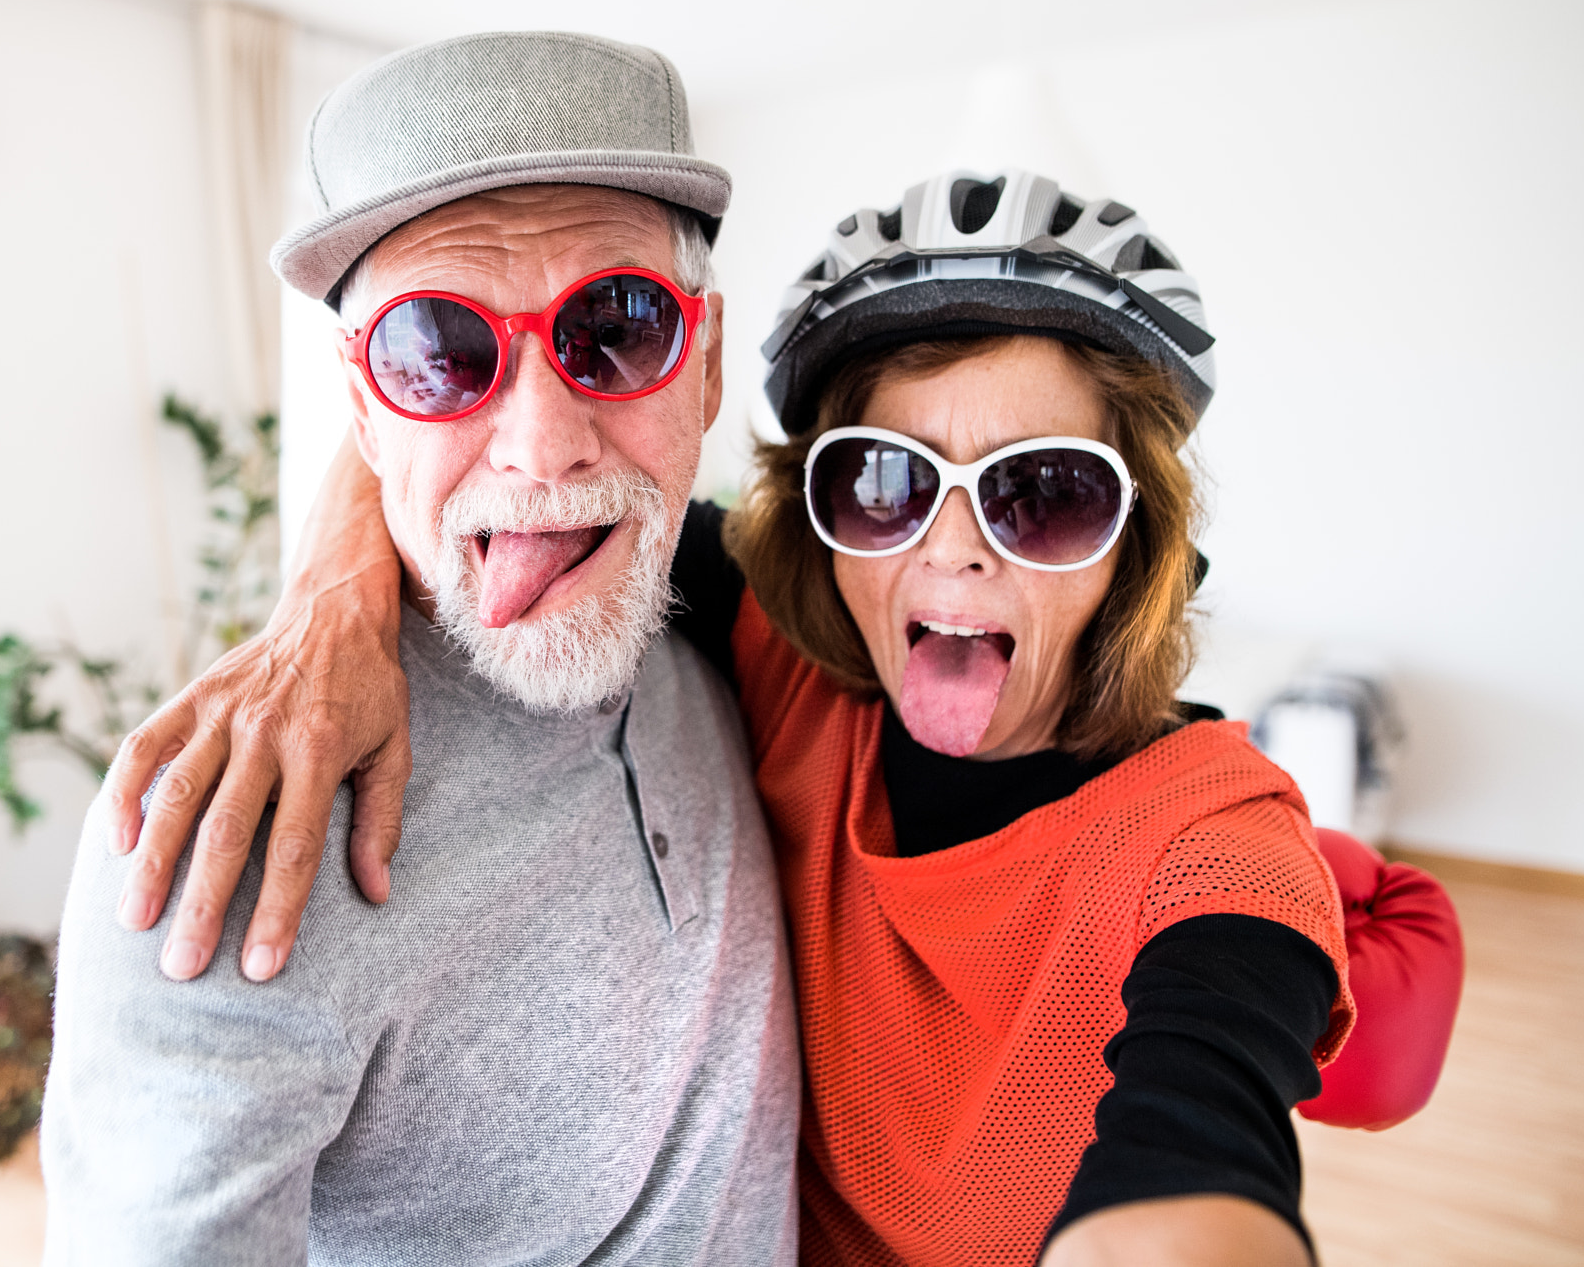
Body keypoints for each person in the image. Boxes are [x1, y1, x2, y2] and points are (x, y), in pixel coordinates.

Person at [103, 167, 1472, 1267]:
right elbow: (474, 436)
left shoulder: (1214, 841)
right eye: (883, 482)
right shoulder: (788, 666)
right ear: (816, 526)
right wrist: (330, 605)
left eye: (1043, 491)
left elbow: (1201, 1143)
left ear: (1135, 543)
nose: (954, 551)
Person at [40, 32, 802, 1264]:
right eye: (437, 354)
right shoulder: (228, 832)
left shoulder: (733, 616)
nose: (542, 445)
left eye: (614, 329)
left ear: (705, 364)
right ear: (362, 405)